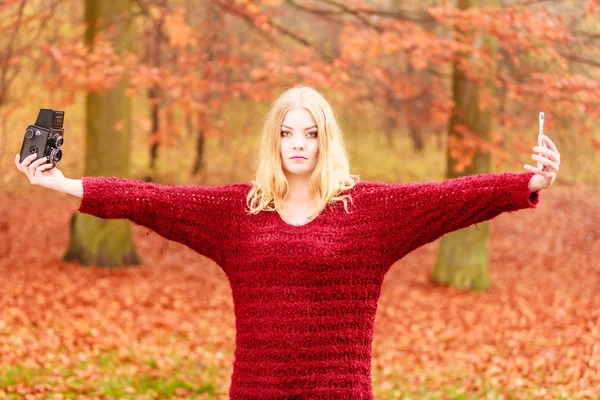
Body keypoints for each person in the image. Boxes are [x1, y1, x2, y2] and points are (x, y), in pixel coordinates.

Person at [15, 85, 560, 399]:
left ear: (327, 139)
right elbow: (152, 201)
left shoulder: (368, 211)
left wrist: (527, 184)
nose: (298, 144)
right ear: (272, 139)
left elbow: (451, 197)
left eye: (310, 132)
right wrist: (67, 185)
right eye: (286, 132)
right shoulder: (238, 211)